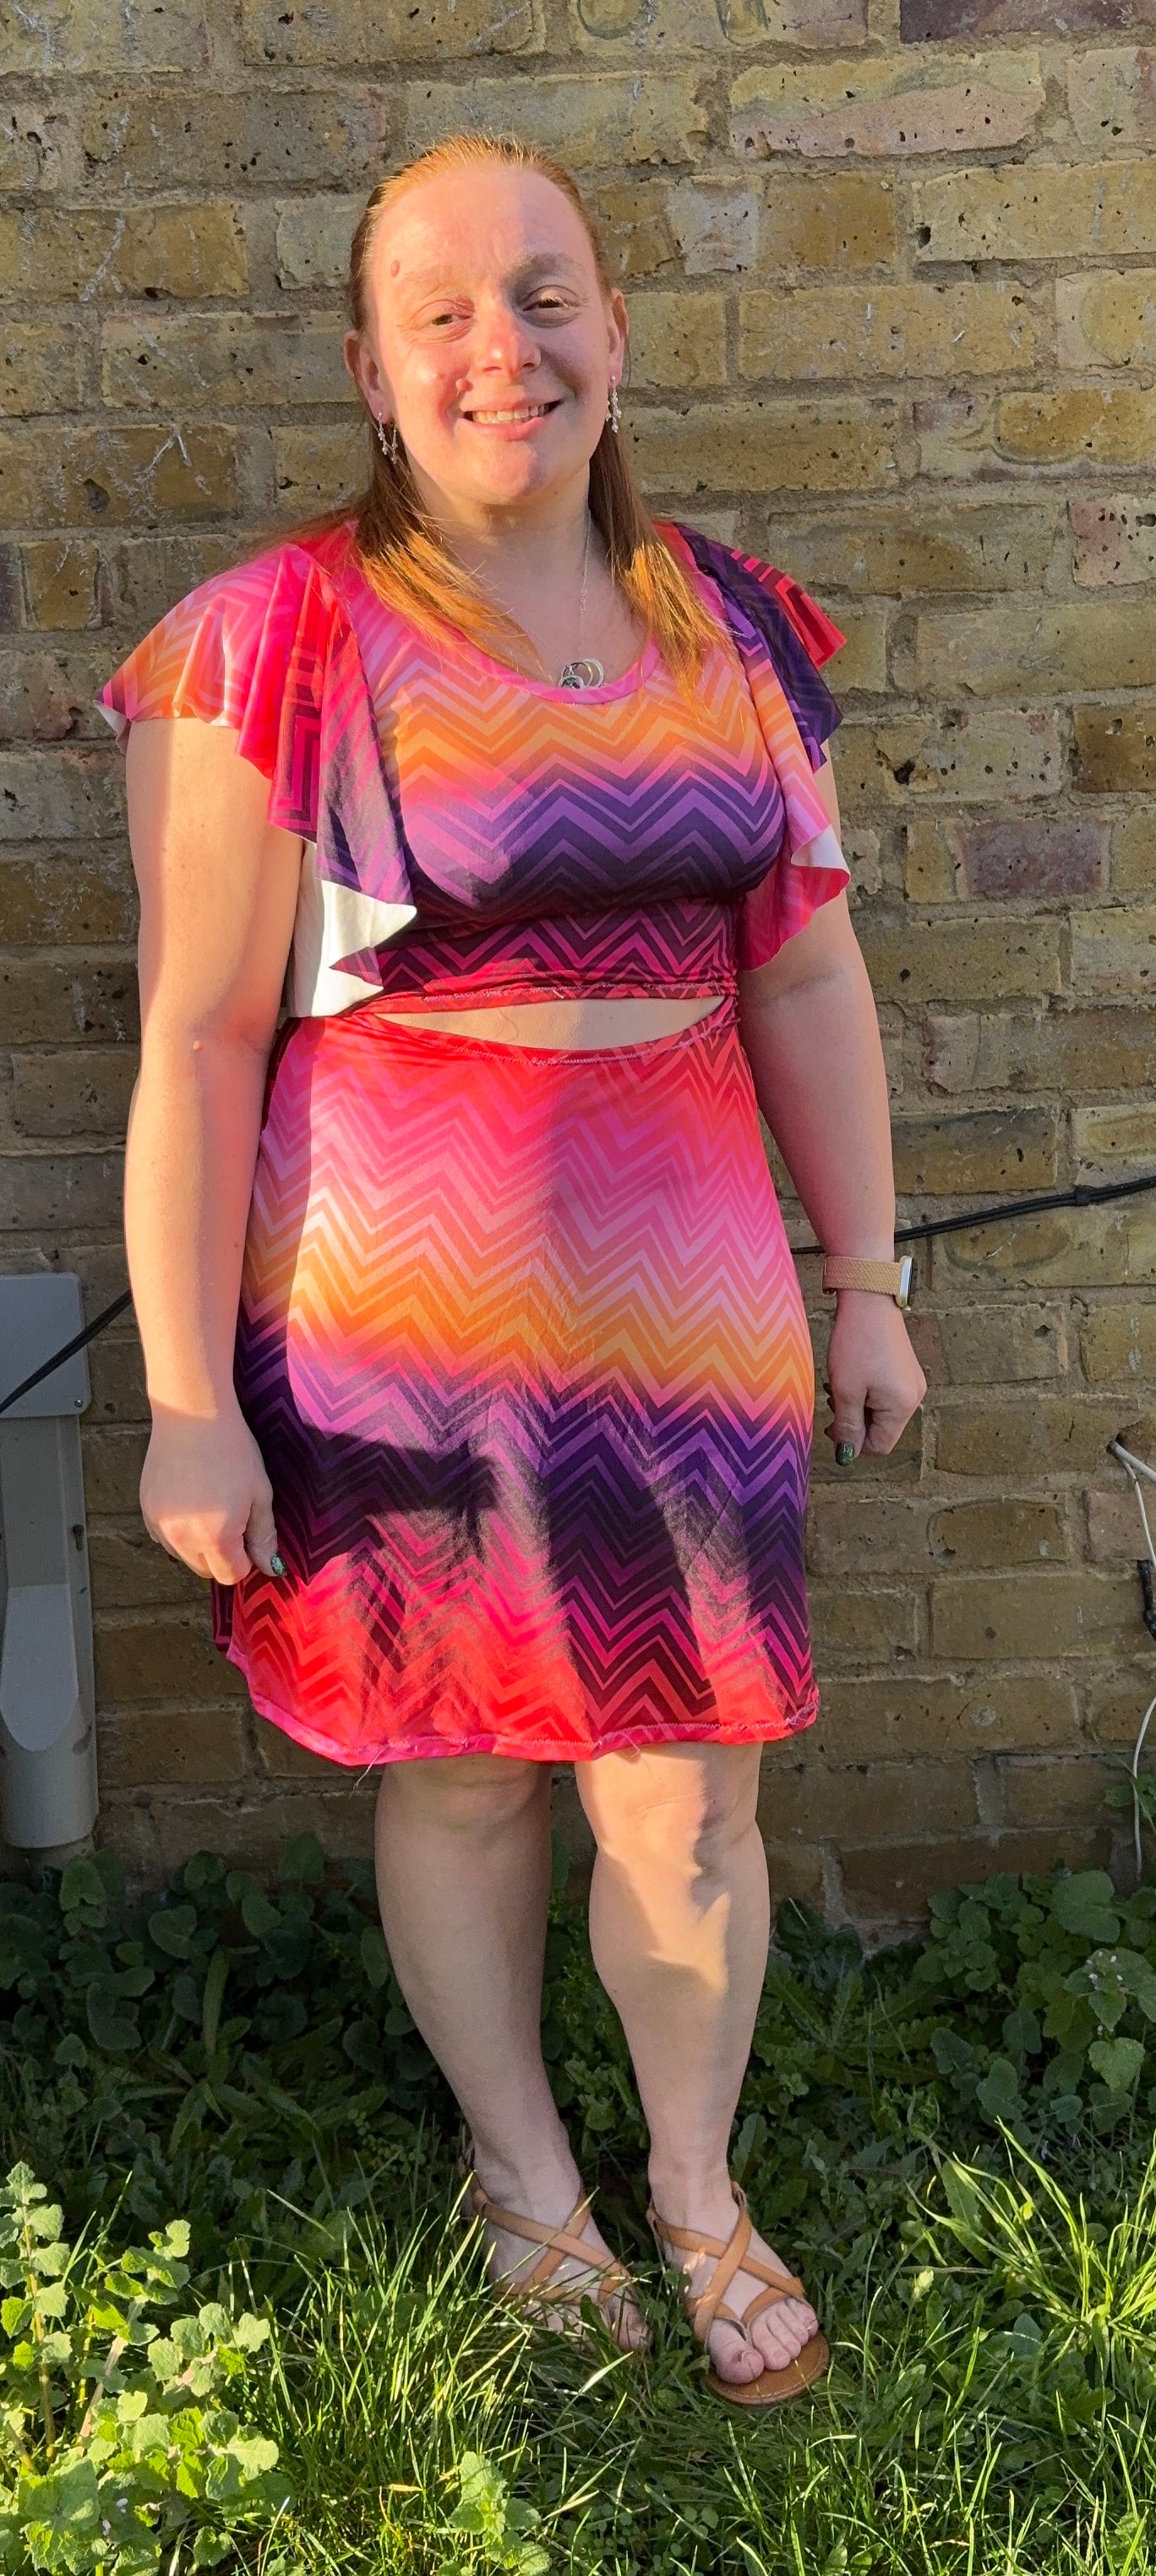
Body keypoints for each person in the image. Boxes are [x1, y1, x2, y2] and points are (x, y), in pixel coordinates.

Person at [99, 133, 926, 2409]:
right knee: (463, 1770)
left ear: (617, 331)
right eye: (443, 311)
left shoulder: (731, 629)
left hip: (691, 1316)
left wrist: (866, 1272)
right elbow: (197, 1041)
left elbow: (806, 972)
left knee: (692, 1786)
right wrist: (185, 1399)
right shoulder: (275, 642)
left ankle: (696, 2187)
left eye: (545, 295)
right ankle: (519, 2171)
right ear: (371, 370)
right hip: (400, 1330)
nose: (504, 349)